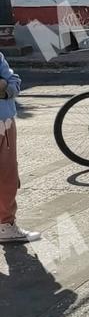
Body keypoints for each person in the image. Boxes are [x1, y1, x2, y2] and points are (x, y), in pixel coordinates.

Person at [0, 52, 40, 242]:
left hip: (5, 123)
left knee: (8, 176)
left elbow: (14, 81)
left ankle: (5, 225)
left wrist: (5, 88)